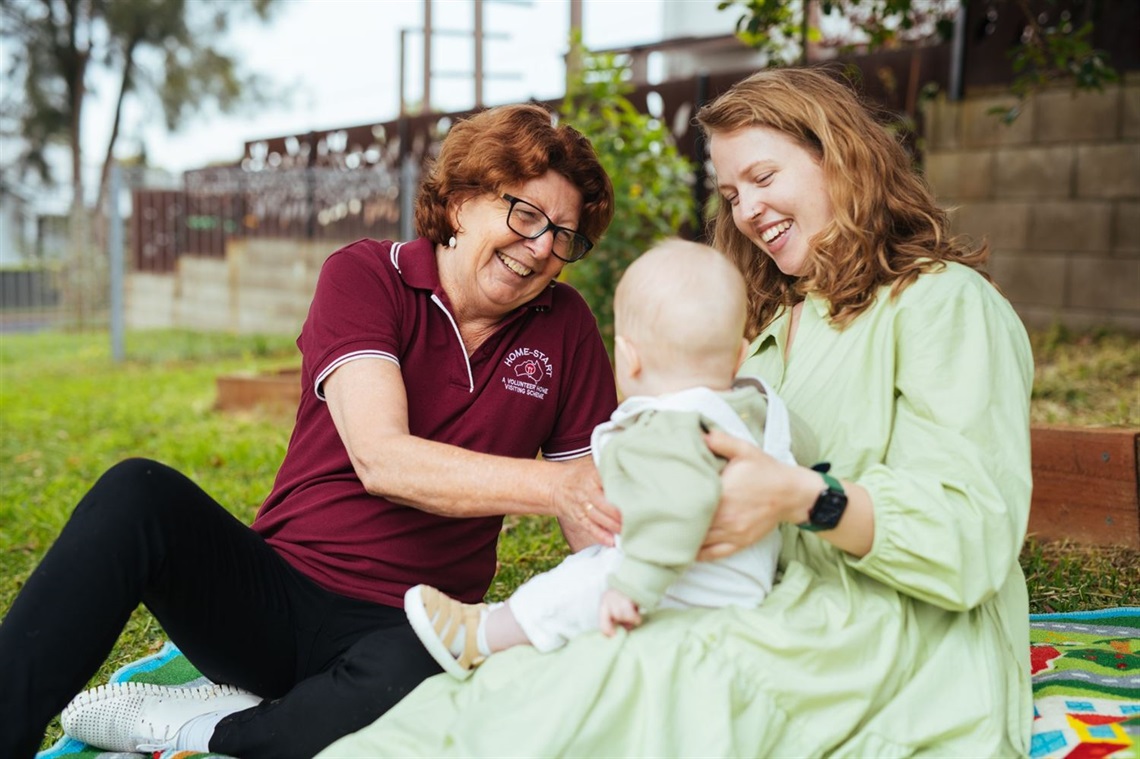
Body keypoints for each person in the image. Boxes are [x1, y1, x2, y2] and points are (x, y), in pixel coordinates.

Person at [317, 66, 1036, 758]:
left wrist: (802, 498)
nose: (747, 210)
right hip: (755, 602)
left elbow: (971, 533)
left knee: (603, 688)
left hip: (884, 637)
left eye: (763, 177)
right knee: (510, 678)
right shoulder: (765, 333)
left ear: (842, 158)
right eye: (731, 194)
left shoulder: (945, 304)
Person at [0, 102, 622, 759]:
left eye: (564, 236)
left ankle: (203, 728)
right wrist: (558, 486)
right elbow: (382, 458)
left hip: (408, 626)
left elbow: (594, 524)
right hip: (277, 597)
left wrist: (627, 591)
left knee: (436, 679)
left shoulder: (567, 324)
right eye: (526, 215)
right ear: (464, 201)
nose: (542, 248)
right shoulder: (365, 274)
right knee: (137, 492)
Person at [403, 239, 816, 679]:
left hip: (689, 585)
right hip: (745, 579)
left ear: (628, 358)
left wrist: (631, 588)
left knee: (574, 586)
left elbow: (681, 506)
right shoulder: (757, 407)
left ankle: (481, 636)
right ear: (739, 355)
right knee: (584, 568)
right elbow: (798, 452)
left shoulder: (670, 428)